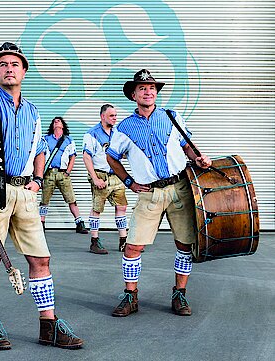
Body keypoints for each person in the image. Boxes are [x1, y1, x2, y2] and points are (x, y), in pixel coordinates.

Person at [0, 42, 83, 350]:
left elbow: (40, 148)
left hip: (25, 192)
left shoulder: (32, 110)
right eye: (2, 64)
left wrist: (38, 181)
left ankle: (48, 325)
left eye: (14, 64)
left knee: (41, 259)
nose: (9, 68)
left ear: (24, 71)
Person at [106, 69, 212, 317]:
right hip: (149, 193)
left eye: (152, 87)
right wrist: (130, 182)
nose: (148, 91)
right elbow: (112, 158)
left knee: (185, 245)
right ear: (133, 95)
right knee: (132, 247)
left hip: (180, 189)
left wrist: (199, 158)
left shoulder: (171, 117)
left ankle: (179, 295)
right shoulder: (124, 127)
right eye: (142, 88)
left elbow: (187, 147)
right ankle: (130, 297)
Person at [82, 104, 128, 255]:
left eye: (115, 115)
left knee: (121, 207)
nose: (115, 118)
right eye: (111, 116)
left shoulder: (117, 133)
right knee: (97, 209)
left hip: (116, 175)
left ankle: (123, 241)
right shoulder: (92, 134)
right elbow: (87, 156)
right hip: (101, 175)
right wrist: (94, 178)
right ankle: (94, 241)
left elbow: (123, 152)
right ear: (102, 116)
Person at [39, 116, 87, 234]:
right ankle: (41, 224)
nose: (56, 122)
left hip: (62, 173)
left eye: (59, 121)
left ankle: (79, 223)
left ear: (63, 125)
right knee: (44, 200)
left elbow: (73, 157)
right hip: (49, 173)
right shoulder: (45, 139)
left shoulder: (69, 140)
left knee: (71, 199)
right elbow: (40, 156)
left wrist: (68, 172)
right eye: (54, 121)